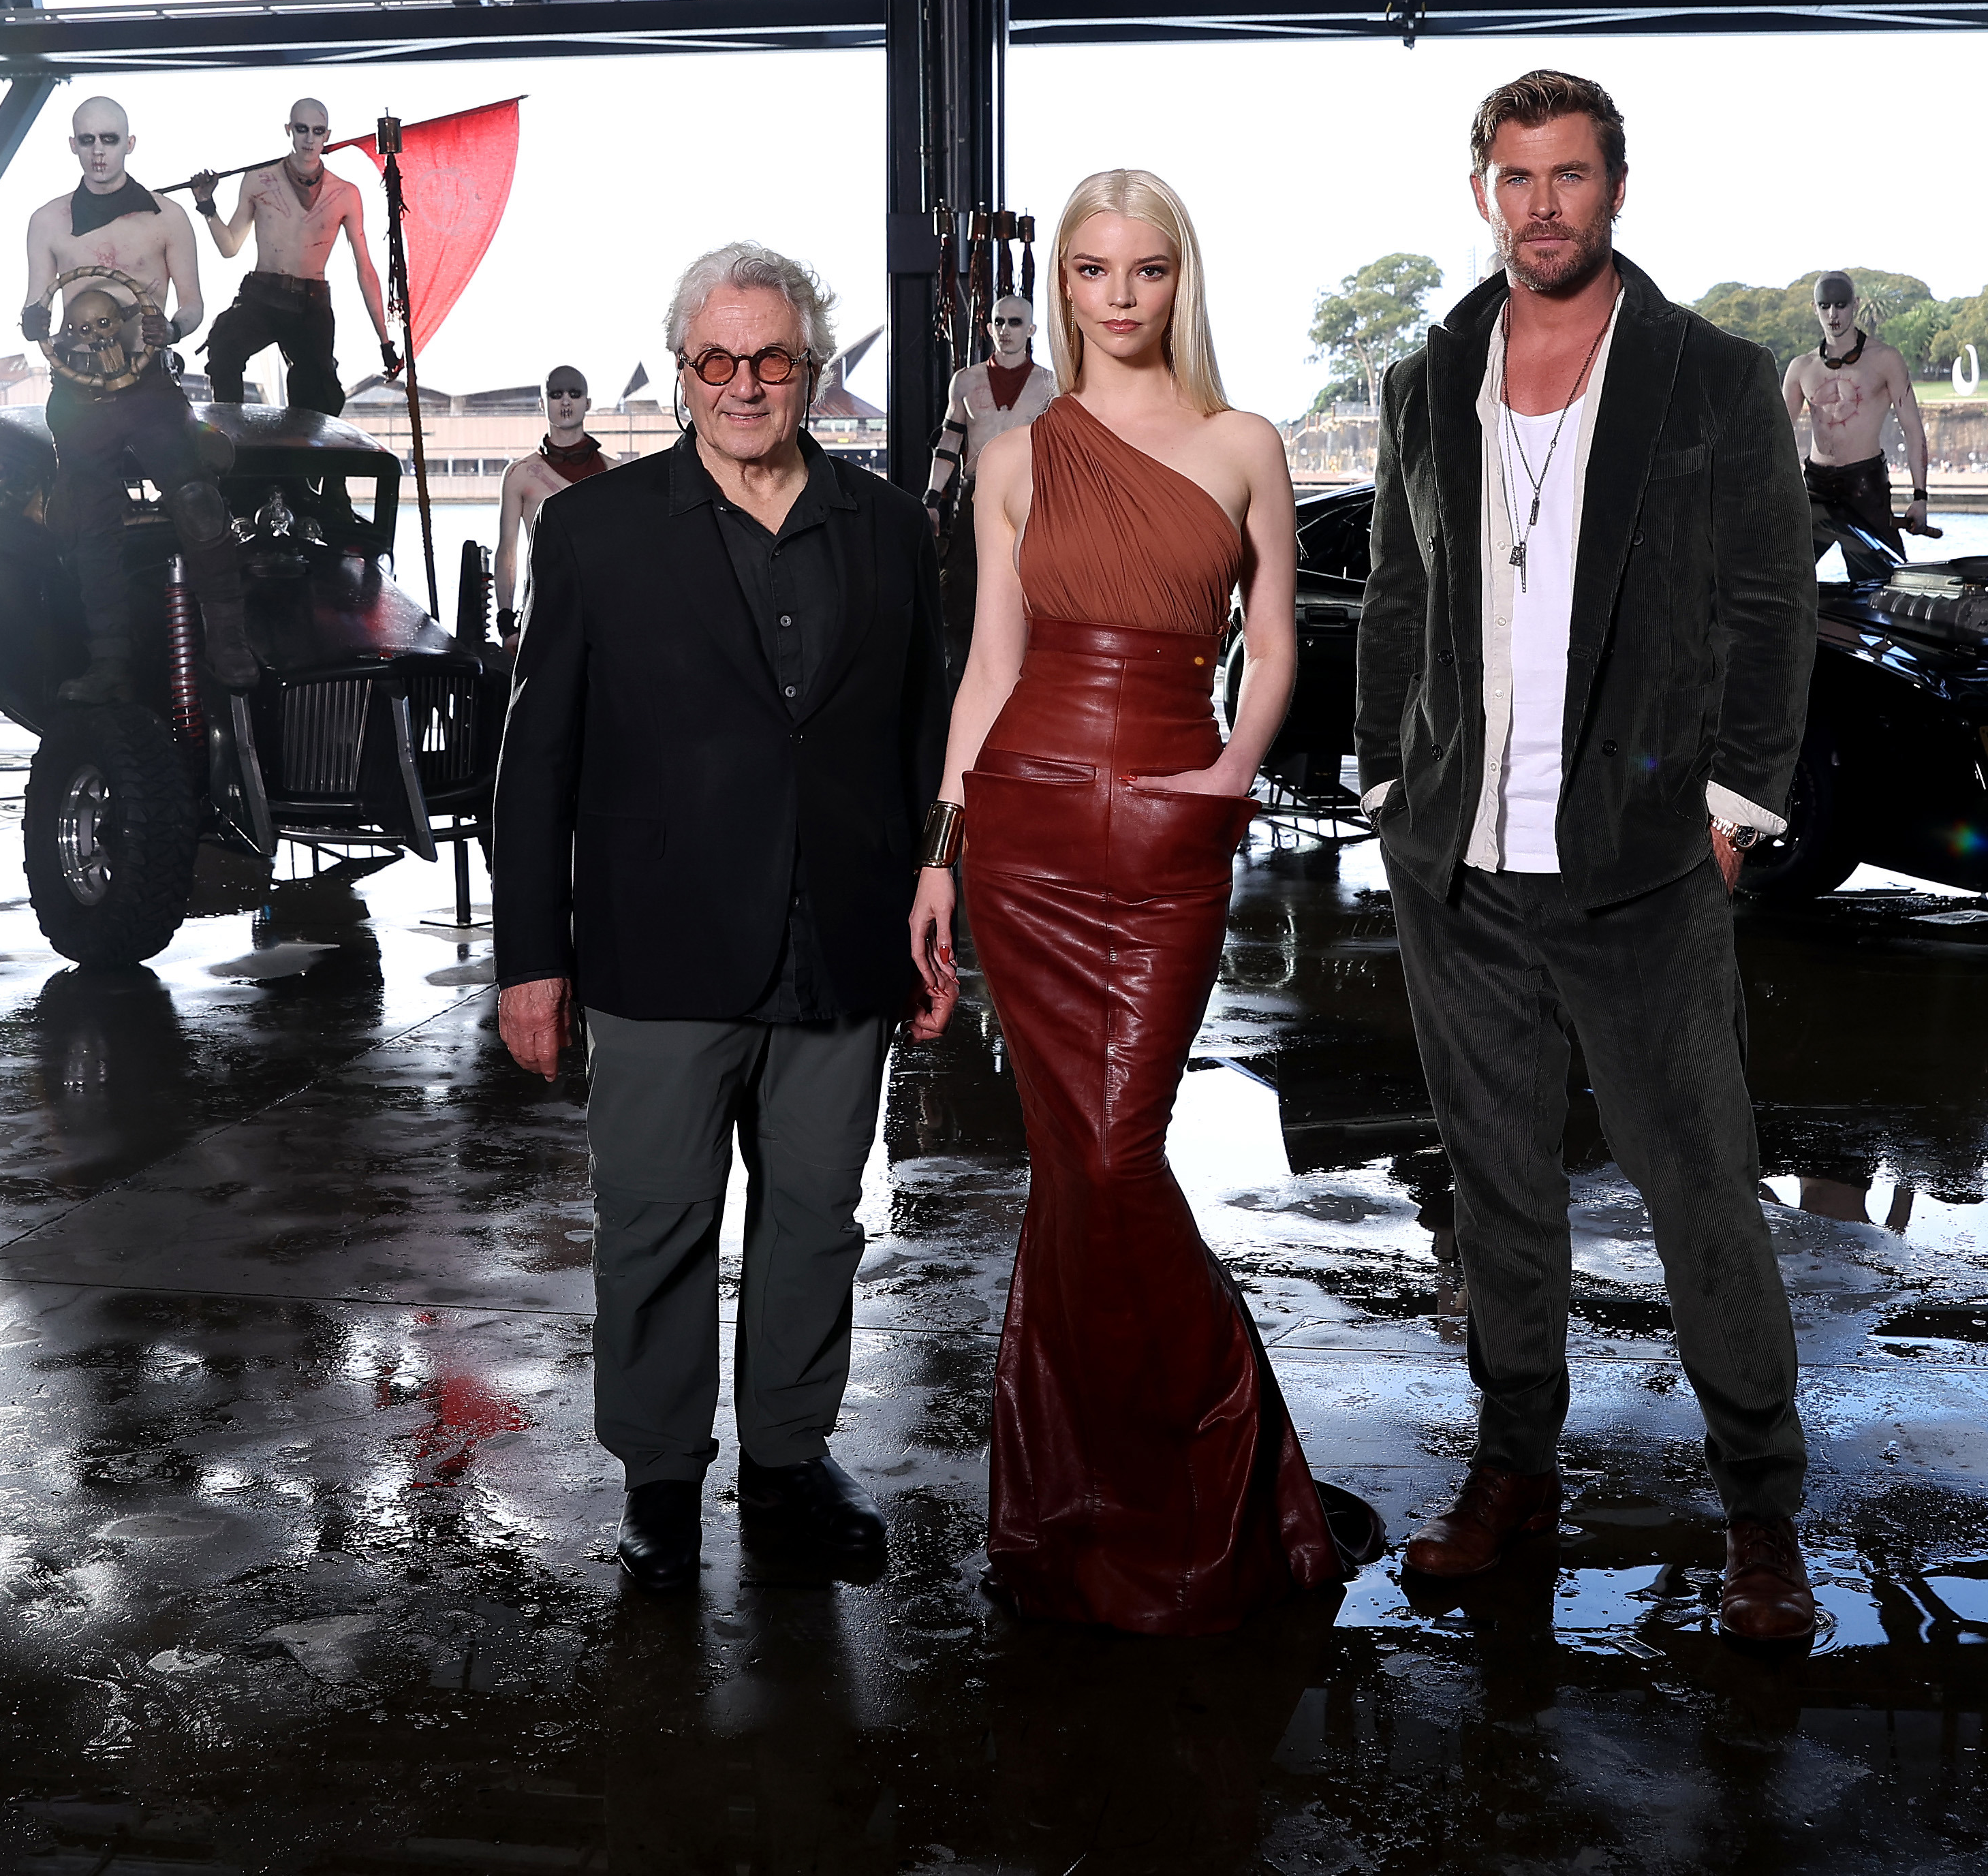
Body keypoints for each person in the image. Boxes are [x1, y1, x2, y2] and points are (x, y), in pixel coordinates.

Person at [1352, 68, 1824, 1646]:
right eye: (1513, 175)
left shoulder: (1709, 377)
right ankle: (1513, 1476)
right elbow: (1399, 600)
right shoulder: (1432, 378)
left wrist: (1732, 812)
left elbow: (1772, 606)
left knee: (1699, 1199)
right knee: (1496, 1204)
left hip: (1637, 867)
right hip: (1463, 869)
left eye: (1568, 175)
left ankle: (1760, 1517)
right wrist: (1384, 784)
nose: (1540, 201)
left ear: (1616, 190)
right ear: (1479, 192)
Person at [903, 167, 1360, 1635]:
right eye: (1092, 268)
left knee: (1112, 1153)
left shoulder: (1242, 444)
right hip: (1024, 827)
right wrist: (938, 849)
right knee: (1077, 1162)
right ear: (1064, 288)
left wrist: (1229, 772)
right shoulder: (1016, 454)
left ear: (1179, 278)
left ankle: (1208, 1456)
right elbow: (986, 663)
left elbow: (1273, 638)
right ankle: (1085, 1495)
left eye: (1144, 267)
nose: (1117, 293)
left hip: (1173, 823)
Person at [493, 243, 950, 1593]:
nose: (744, 384)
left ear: (809, 368)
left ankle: (789, 1457)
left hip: (842, 939)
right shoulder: (595, 529)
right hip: (658, 941)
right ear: (681, 367)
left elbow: (929, 736)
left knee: (816, 1215)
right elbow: (538, 762)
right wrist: (533, 958)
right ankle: (658, 1475)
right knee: (653, 1218)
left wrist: (937, 902)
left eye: (771, 359)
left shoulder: (886, 528)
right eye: (716, 359)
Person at [18, 95, 255, 699]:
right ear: (73, 146)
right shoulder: (47, 221)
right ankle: (109, 665)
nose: (99, 152)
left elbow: (194, 305)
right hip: (75, 391)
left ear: (130, 143)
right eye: (88, 140)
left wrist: (170, 328)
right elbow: (38, 301)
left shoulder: (167, 218)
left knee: (199, 501)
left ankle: (229, 643)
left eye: (110, 139)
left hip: (149, 386)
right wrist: (32, 319)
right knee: (90, 527)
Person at [188, 97, 390, 415]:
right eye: (302, 129)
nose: (309, 139)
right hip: (262, 295)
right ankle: (228, 438)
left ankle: (307, 459)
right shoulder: (259, 179)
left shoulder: (345, 194)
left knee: (319, 397)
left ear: (327, 136)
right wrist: (207, 206)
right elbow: (229, 248)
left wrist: (385, 341)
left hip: (312, 305)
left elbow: (364, 268)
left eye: (318, 131)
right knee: (224, 348)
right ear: (289, 130)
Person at [923, 292, 1059, 664]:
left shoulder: (1050, 386)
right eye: (999, 322)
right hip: (976, 496)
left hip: (1031, 500)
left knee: (1031, 590)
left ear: (1030, 330)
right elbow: (949, 442)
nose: (1005, 330)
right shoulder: (966, 382)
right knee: (963, 590)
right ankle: (963, 679)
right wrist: (932, 499)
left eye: (1015, 323)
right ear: (988, 327)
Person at [1780, 271, 1931, 582]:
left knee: (1884, 587)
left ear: (1855, 305)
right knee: (1783, 577)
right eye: (1825, 306)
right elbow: (1775, 436)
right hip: (1816, 486)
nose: (1833, 315)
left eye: (1840, 305)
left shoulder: (1885, 359)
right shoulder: (1801, 368)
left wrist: (1920, 497)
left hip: (1865, 484)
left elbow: (1914, 431)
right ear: (1814, 308)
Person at [495, 365, 608, 638]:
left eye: (574, 393)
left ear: (588, 403)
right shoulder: (518, 475)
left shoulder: (615, 471)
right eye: (557, 394)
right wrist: (506, 620)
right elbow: (508, 550)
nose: (566, 401)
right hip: (543, 607)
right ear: (543, 403)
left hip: (604, 610)